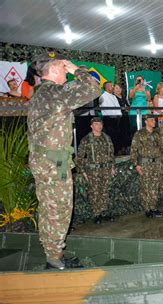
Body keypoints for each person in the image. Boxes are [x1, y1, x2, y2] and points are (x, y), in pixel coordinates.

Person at [28, 51, 101, 269]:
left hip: (46, 161)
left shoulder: (42, 93)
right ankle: (54, 258)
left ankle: (54, 250)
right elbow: (93, 88)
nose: (66, 71)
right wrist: (77, 70)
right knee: (59, 208)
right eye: (62, 67)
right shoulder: (53, 92)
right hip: (53, 163)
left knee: (49, 207)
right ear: (51, 70)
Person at [75, 117, 115, 224]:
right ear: (91, 126)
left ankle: (104, 212)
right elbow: (80, 157)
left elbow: (111, 154)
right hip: (93, 171)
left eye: (100, 124)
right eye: (96, 124)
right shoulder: (86, 139)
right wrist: (83, 172)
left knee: (105, 191)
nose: (99, 126)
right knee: (95, 192)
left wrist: (112, 167)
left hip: (106, 169)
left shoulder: (106, 138)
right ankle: (96, 214)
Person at [130, 114, 163, 218]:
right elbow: (133, 150)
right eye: (151, 120)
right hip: (145, 164)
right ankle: (147, 209)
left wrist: (161, 162)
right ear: (146, 121)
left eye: (154, 120)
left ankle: (153, 207)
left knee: (155, 186)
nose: (154, 121)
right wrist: (136, 165)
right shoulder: (139, 134)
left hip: (156, 163)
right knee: (145, 187)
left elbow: (161, 149)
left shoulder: (157, 134)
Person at [112, 83, 132, 153]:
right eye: (116, 88)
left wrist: (128, 109)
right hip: (117, 119)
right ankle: (120, 149)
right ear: (113, 90)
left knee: (127, 132)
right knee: (119, 133)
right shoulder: (113, 98)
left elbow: (128, 106)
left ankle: (127, 147)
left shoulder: (124, 97)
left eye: (119, 88)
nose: (118, 90)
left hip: (125, 117)